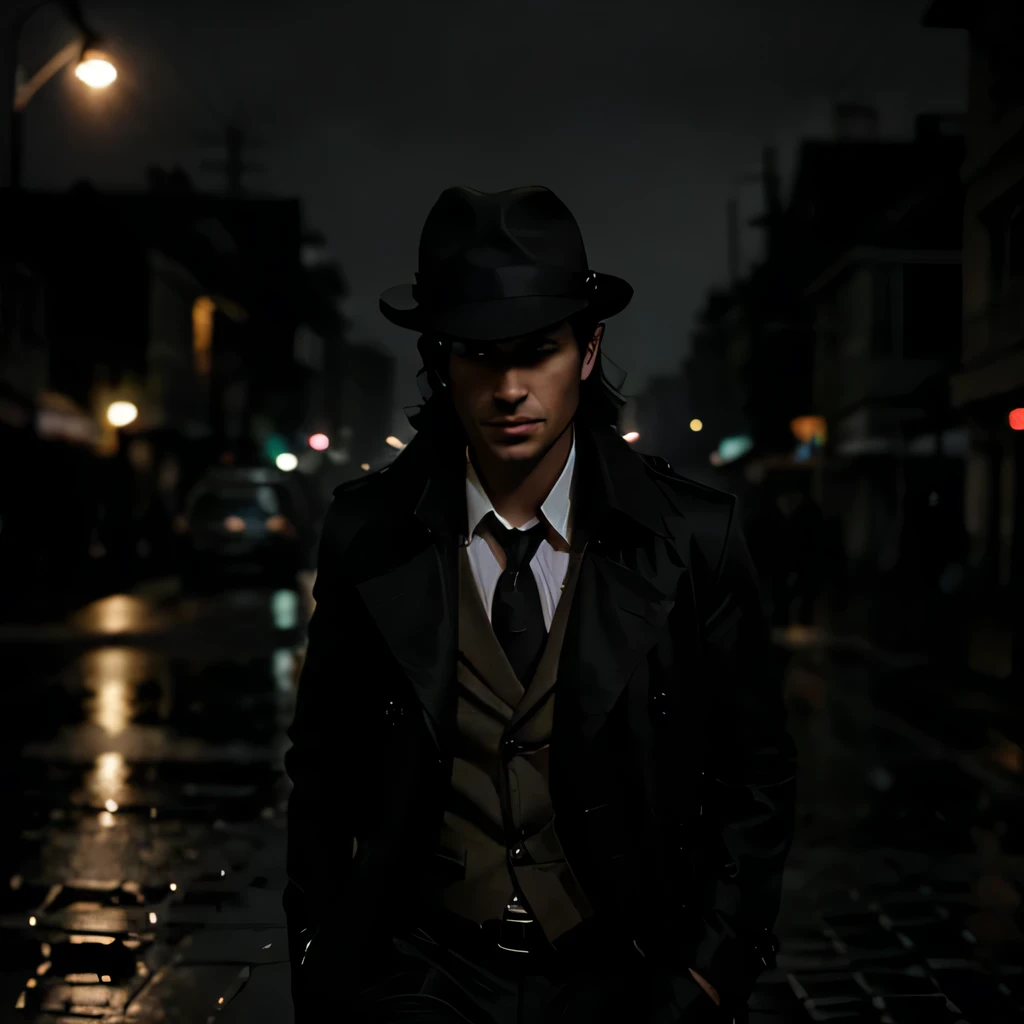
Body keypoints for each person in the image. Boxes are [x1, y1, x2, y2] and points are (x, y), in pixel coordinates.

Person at [283, 185, 797, 1023]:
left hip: (626, 972)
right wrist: (325, 963)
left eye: (538, 350)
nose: (510, 386)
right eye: (480, 354)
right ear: (439, 361)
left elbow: (756, 773)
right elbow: (322, 769)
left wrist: (710, 971)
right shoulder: (367, 533)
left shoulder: (694, 536)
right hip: (420, 975)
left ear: (588, 352)